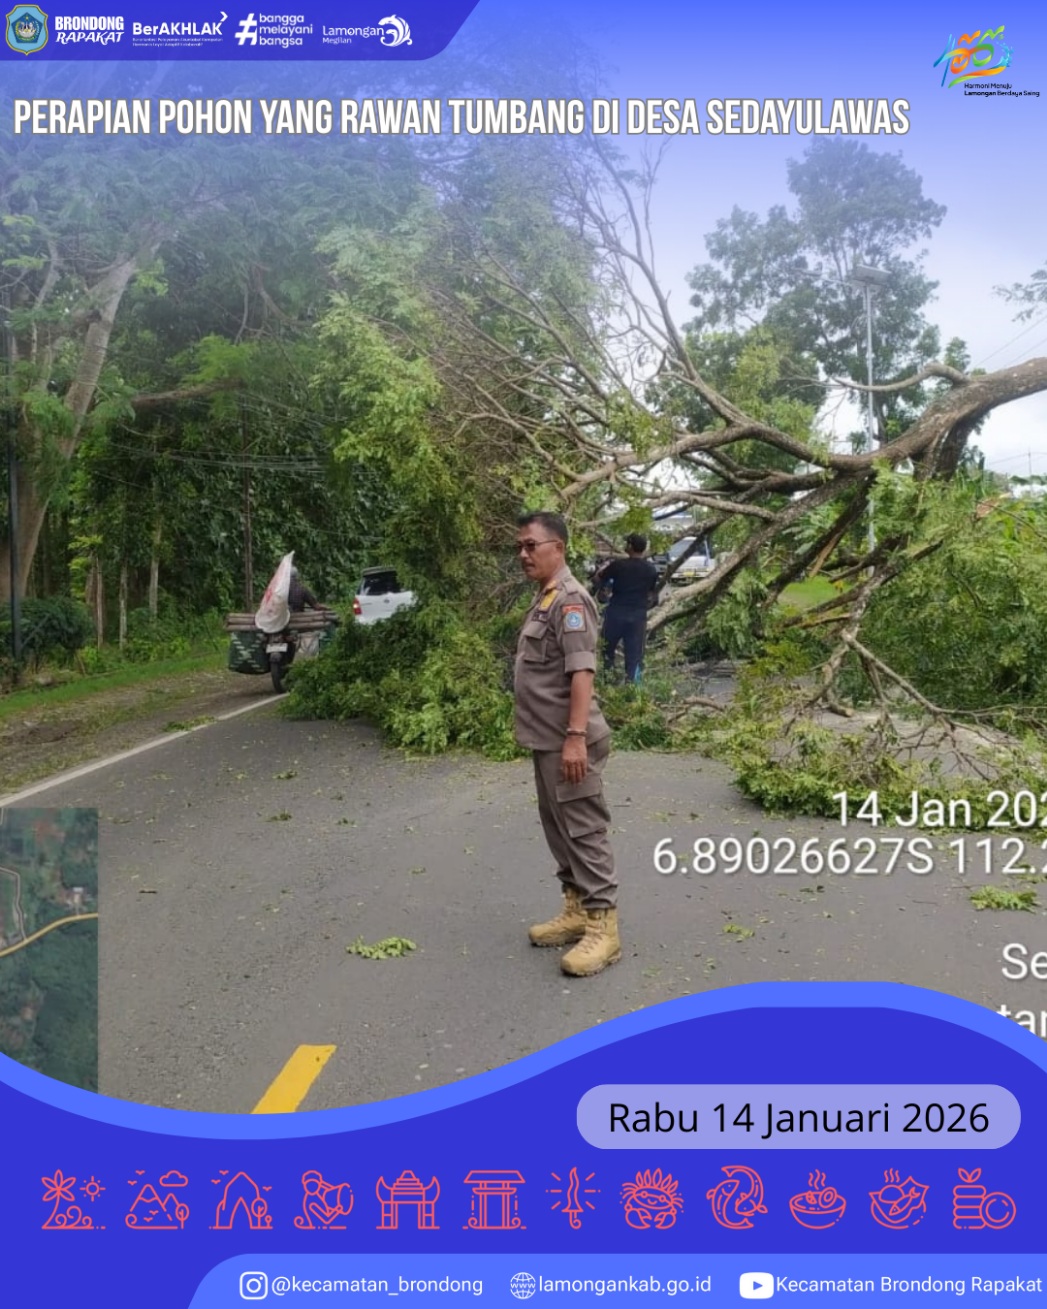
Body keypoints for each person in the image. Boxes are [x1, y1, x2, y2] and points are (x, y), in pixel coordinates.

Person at [513, 510, 620, 976]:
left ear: (558, 547)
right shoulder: (545, 599)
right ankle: (576, 908)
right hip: (546, 740)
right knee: (559, 829)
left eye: (530, 545)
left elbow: (582, 674)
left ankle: (604, 928)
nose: (523, 554)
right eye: (520, 546)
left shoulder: (571, 601)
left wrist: (575, 738)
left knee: (583, 830)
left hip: (568, 739)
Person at [594, 534, 659, 683]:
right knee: (634, 656)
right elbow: (651, 595)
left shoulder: (618, 565)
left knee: (607, 651)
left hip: (616, 614)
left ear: (630, 546)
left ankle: (609, 684)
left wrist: (600, 572)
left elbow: (599, 579)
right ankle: (633, 691)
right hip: (637, 617)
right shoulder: (651, 569)